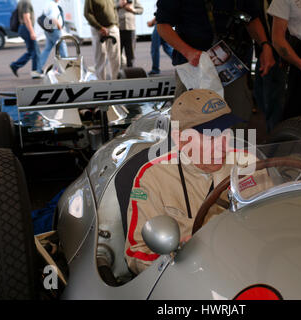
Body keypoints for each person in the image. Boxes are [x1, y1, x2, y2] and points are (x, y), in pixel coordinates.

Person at [124, 89, 265, 274]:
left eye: (227, 132)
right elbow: (137, 253)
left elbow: (274, 223)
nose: (224, 146)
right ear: (180, 139)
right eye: (212, 137)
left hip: (251, 268)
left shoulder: (249, 164)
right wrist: (177, 261)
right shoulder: (152, 178)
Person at [155, 0, 275, 125]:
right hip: (192, 67)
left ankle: (233, 144)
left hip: (231, 65)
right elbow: (162, 25)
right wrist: (188, 52)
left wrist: (265, 45)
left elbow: (251, 19)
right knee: (188, 122)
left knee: (237, 117)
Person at [253, 0, 286, 133]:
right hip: (265, 52)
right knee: (262, 96)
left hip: (279, 56)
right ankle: (274, 135)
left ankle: (277, 138)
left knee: (274, 101)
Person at [84, 0, 121, 80]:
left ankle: (115, 81)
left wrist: (116, 24)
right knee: (100, 58)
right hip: (98, 30)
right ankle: (101, 83)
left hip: (112, 28)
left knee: (115, 57)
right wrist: (99, 27)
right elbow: (87, 13)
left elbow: (114, 9)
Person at [9, 0, 43, 79]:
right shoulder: (26, 2)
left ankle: (15, 65)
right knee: (36, 51)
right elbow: (26, 18)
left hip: (23, 28)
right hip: (26, 28)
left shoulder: (21, 1)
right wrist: (32, 32)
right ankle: (35, 72)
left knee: (31, 51)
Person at [39, 0, 68, 70]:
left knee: (47, 49)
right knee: (62, 47)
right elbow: (53, 18)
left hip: (49, 30)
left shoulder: (48, 3)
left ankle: (37, 68)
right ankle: (67, 67)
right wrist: (59, 27)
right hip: (55, 30)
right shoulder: (53, 5)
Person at [117, 0, 143, 68]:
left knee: (130, 54)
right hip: (118, 29)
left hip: (130, 28)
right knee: (117, 54)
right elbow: (109, 9)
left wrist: (132, 9)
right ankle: (118, 74)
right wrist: (119, 5)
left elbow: (141, 10)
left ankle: (130, 72)